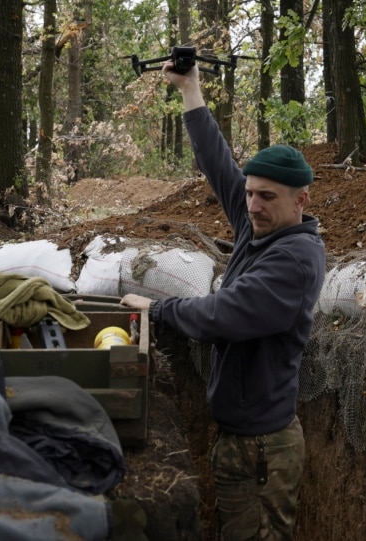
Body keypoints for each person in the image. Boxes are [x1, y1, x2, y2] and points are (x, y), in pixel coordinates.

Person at [121, 60, 326, 540]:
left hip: (262, 451)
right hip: (241, 439)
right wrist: (191, 90)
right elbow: (218, 164)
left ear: (301, 202)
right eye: (250, 193)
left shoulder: (293, 260)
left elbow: (222, 316)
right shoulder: (260, 225)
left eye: (267, 197)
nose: (252, 204)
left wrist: (157, 309)